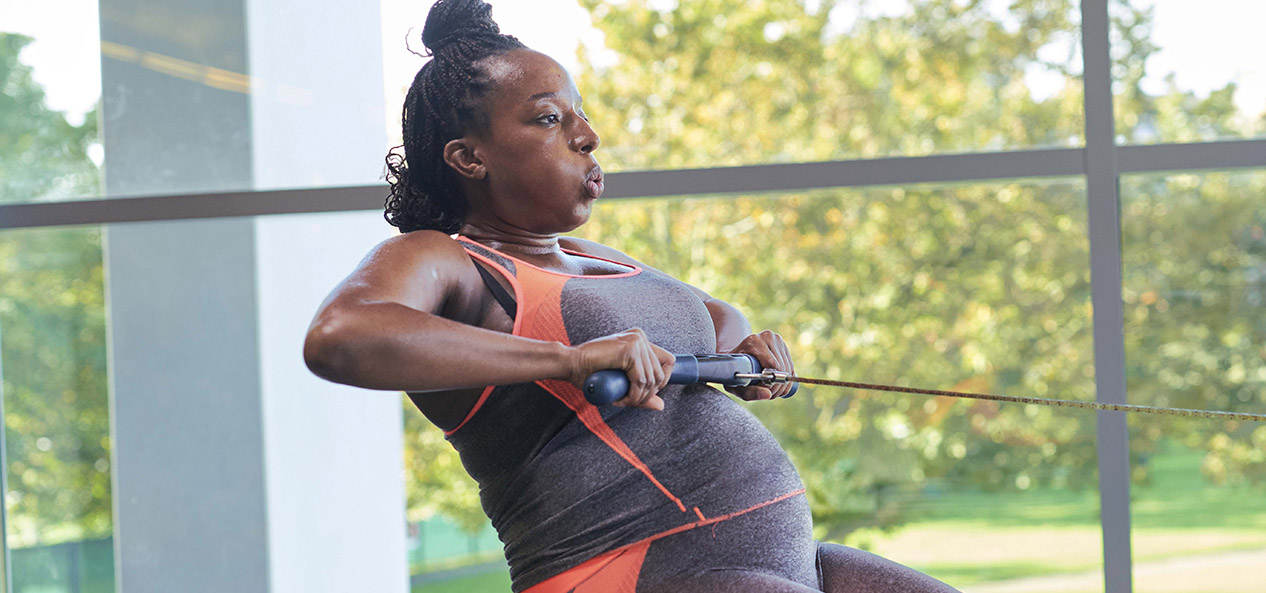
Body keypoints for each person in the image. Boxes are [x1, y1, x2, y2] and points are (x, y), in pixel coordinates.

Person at [304, 1, 959, 591]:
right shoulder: (444, 257)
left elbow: (708, 318)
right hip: (632, 570)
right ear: (469, 158)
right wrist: (567, 358)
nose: (586, 135)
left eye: (580, 113)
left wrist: (747, 350)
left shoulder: (596, 257)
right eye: (547, 119)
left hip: (784, 556)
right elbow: (342, 337)